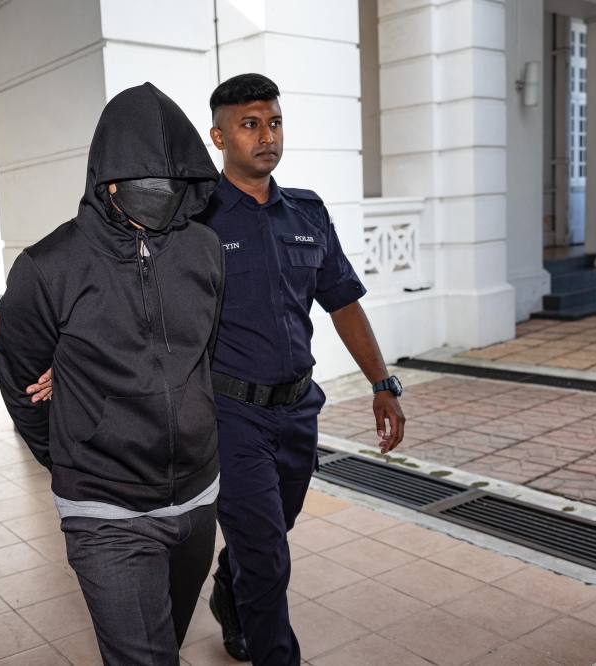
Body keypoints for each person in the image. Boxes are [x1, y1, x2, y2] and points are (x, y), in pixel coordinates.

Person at [0, 83, 224, 666]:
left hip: (198, 497)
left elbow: (205, 355)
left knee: (163, 645)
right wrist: (79, 454)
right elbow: (23, 387)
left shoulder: (206, 250)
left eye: (171, 184)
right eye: (143, 183)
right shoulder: (46, 267)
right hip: (105, 512)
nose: (160, 196)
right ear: (108, 181)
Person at [199, 74, 406, 665]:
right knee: (267, 556)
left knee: (267, 534)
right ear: (219, 136)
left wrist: (381, 383)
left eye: (274, 122)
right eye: (249, 124)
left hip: (297, 411)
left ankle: (229, 594)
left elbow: (342, 301)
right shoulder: (197, 219)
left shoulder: (308, 213)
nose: (266, 135)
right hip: (231, 414)